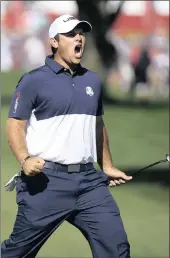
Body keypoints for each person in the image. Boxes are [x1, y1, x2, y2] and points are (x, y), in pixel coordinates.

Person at [1, 14, 132, 258]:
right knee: (16, 253)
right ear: (54, 42)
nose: (79, 38)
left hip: (89, 184)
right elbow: (14, 125)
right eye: (71, 34)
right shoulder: (33, 80)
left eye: (81, 33)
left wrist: (107, 165)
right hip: (46, 182)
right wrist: (24, 159)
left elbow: (97, 124)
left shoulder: (92, 80)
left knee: (116, 249)